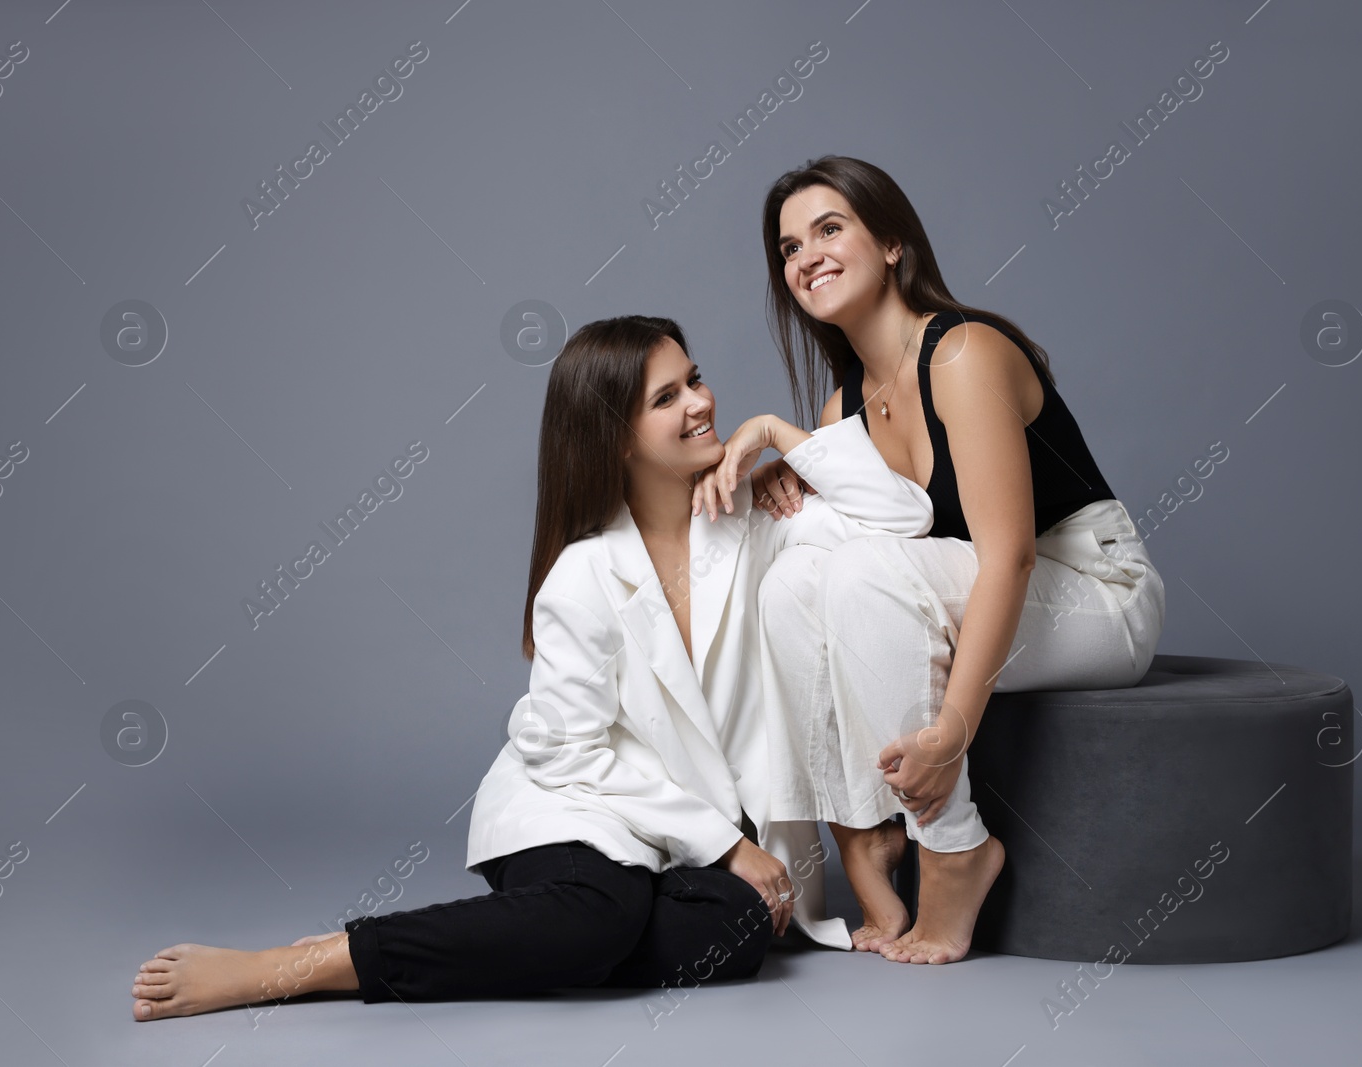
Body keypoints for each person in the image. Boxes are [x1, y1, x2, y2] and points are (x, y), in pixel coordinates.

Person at [130, 314, 933, 1020]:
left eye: (695, 378)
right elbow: (570, 753)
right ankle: (298, 966)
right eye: (666, 397)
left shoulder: (756, 519)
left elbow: (907, 514)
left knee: (735, 933)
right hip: (572, 804)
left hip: (677, 839)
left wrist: (777, 435)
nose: (700, 402)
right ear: (616, 435)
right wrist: (725, 846)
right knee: (601, 915)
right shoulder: (583, 574)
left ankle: (554, 931)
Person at [750, 156, 1166, 965]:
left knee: (864, 573)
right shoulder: (842, 408)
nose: (807, 257)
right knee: (795, 580)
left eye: (829, 229)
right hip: (972, 584)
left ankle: (953, 849)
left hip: (1094, 589)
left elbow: (1007, 557)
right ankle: (864, 834)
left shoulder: (964, 352)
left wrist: (950, 733)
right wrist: (787, 461)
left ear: (894, 242)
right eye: (789, 248)